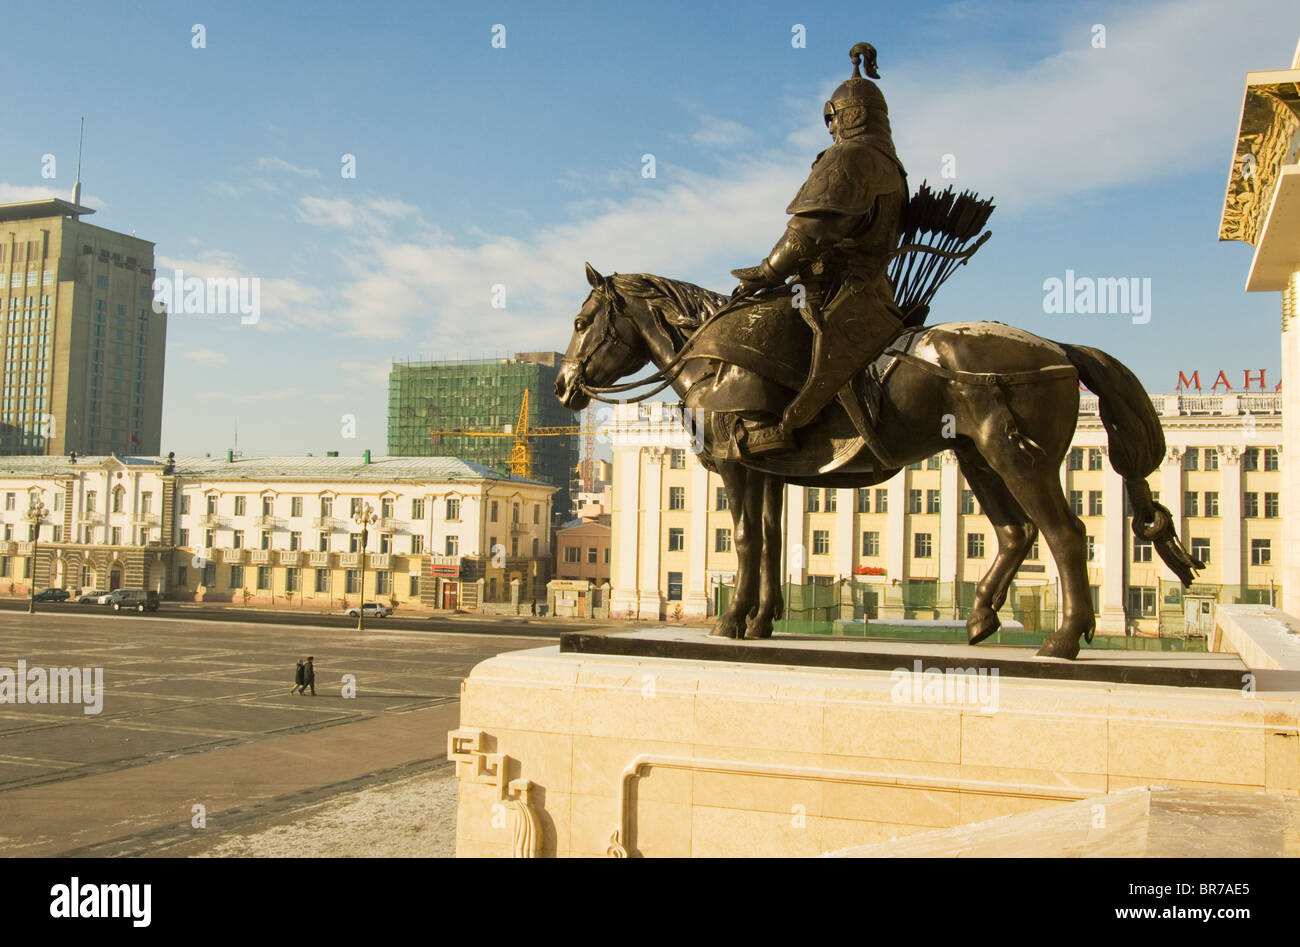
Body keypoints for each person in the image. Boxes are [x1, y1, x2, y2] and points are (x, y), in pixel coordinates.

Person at [730, 42, 908, 454]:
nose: (830, 127)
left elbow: (809, 230)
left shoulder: (850, 157)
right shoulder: (892, 167)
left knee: (751, 330)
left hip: (836, 290)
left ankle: (776, 426)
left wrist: (767, 273)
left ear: (852, 115)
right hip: (876, 291)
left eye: (833, 117)